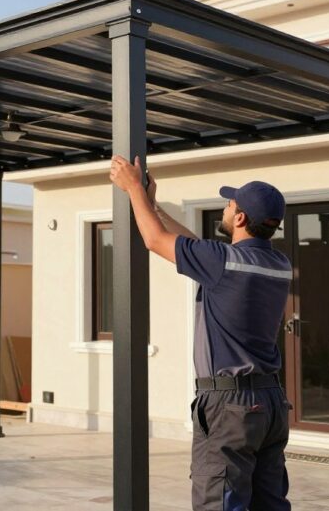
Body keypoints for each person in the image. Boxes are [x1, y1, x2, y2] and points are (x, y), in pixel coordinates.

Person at [109, 155, 292, 511]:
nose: (224, 209)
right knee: (269, 504)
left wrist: (133, 189)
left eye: (229, 204)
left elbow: (155, 240)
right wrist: (151, 204)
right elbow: (192, 247)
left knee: (219, 502)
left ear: (239, 219)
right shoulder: (278, 265)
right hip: (270, 403)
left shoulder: (221, 262)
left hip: (231, 407)